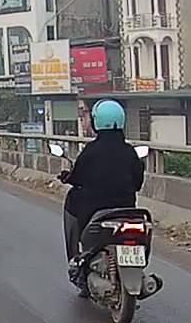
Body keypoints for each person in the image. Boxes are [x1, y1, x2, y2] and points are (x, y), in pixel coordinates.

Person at [59, 99, 145, 273]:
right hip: (126, 212)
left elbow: (78, 178)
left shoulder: (91, 151)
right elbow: (138, 184)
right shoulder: (129, 151)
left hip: (95, 214)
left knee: (72, 198)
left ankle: (75, 260)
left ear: (96, 121)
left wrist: (68, 177)